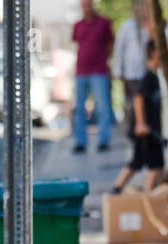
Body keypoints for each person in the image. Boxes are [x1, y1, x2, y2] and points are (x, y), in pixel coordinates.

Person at [110, 41, 163, 194]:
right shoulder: (149, 77)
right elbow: (138, 98)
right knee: (150, 165)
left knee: (142, 163)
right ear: (153, 53)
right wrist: (140, 123)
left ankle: (119, 189)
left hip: (152, 130)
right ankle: (145, 196)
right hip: (146, 130)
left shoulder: (156, 76)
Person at [72, 0, 115, 154]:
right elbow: (77, 44)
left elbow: (110, 44)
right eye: (84, 5)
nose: (87, 8)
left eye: (89, 5)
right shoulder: (77, 25)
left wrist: (104, 60)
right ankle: (80, 141)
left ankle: (103, 140)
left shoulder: (103, 23)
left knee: (102, 107)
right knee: (79, 108)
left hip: (99, 71)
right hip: (81, 71)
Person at [113, 0, 150, 138]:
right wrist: (118, 71)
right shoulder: (127, 27)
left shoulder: (152, 27)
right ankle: (135, 132)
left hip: (148, 73)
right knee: (134, 106)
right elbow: (118, 49)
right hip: (132, 73)